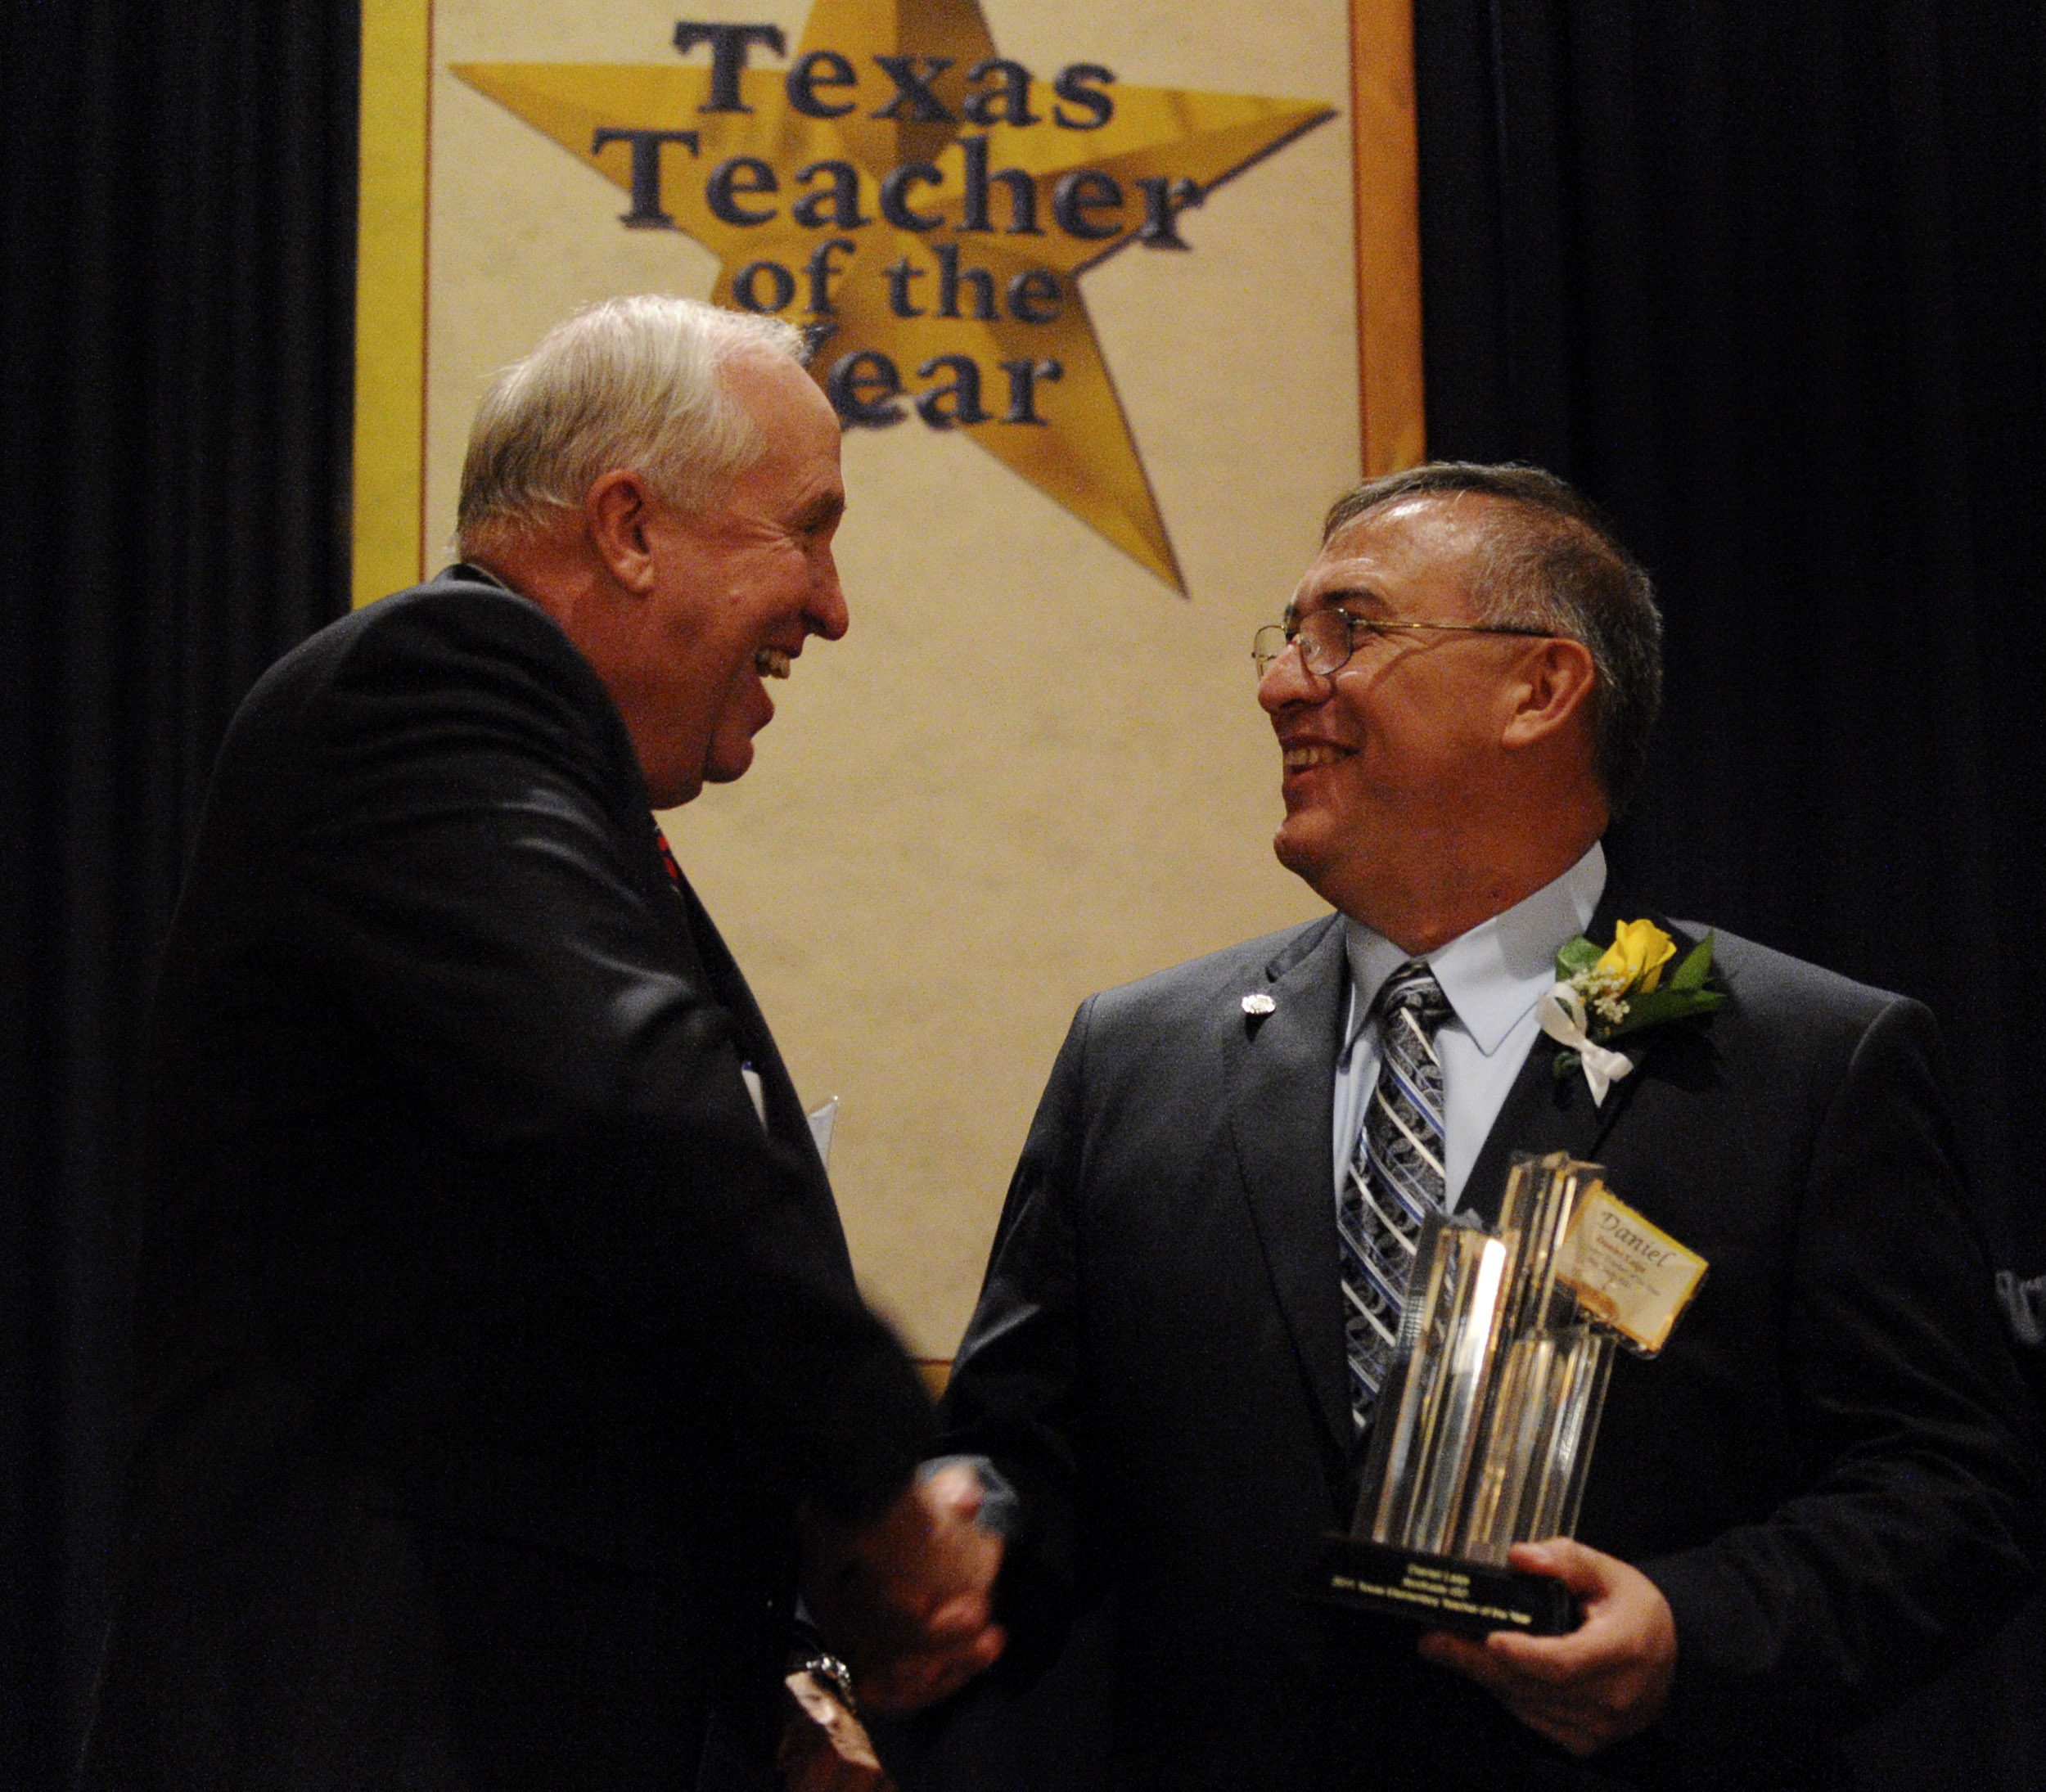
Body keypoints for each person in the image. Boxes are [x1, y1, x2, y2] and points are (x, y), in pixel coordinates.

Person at [930, 463, 2039, 1790]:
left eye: (1350, 628)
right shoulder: (1137, 1059)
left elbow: (1953, 1494)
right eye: (1288, 638)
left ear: (1542, 688)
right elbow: (1020, 1467)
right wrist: (931, 1562)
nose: (1285, 681)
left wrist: (1694, 1631)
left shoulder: (1802, 1061)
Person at [79, 295, 1002, 1792]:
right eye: (807, 531)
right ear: (630, 525)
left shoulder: (565, 796)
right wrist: (877, 1474)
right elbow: (631, 1116)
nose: (832, 606)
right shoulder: (439, 677)